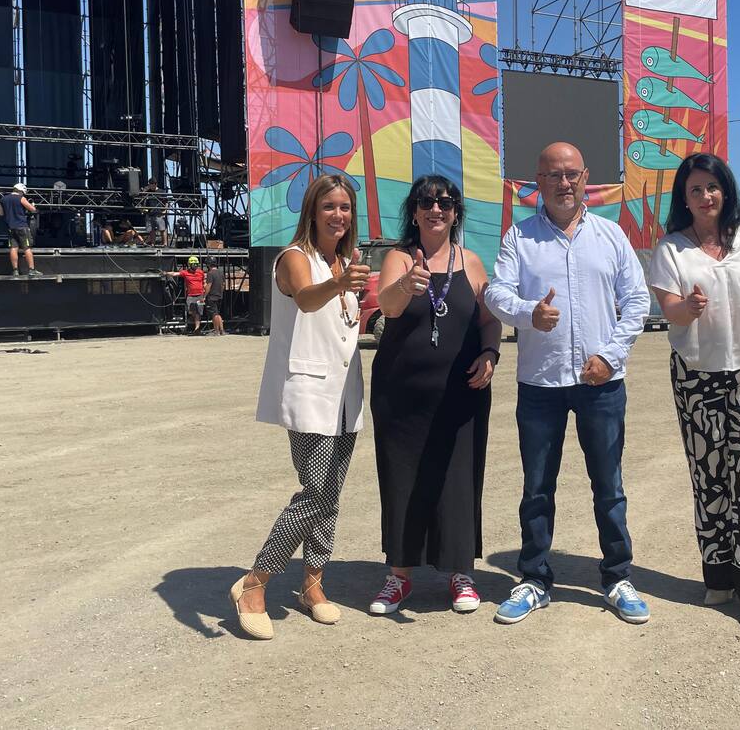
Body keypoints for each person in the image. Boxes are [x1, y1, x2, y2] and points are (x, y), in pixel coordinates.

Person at [484, 142, 650, 625]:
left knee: (609, 485)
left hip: (602, 383)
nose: (563, 183)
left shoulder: (611, 236)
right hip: (541, 384)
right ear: (538, 181)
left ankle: (617, 577)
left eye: (572, 174)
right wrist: (528, 314)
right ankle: (534, 580)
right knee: (537, 487)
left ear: (585, 178)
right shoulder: (520, 237)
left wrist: (610, 357)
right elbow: (496, 293)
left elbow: (637, 300)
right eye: (553, 175)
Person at [647, 153, 740, 635]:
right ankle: (718, 576)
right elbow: (670, 310)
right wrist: (688, 308)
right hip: (696, 376)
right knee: (708, 476)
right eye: (695, 189)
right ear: (684, 198)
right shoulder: (672, 249)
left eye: (712, 187)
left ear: (725, 191)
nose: (705, 196)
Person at [229, 174, 370, 639]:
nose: (338, 215)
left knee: (330, 495)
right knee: (314, 493)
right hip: (311, 393)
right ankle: (255, 582)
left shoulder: (346, 260)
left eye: (345, 207)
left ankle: (313, 583)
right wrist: (340, 282)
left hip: (346, 393)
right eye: (329, 206)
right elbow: (308, 299)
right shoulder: (294, 258)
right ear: (311, 211)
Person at [367, 176, 501, 616]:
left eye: (445, 202)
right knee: (401, 479)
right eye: (426, 202)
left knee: (458, 479)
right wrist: (406, 285)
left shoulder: (472, 262)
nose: (436, 209)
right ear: (415, 211)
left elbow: (489, 319)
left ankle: (460, 572)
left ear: (456, 211)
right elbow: (387, 307)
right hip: (402, 395)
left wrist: (490, 353)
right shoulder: (399, 258)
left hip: (461, 394)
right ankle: (399, 575)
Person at [0, 183, 41, 277]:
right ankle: (31, 270)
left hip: (11, 227)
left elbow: (0, 213)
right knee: (27, 247)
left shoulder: (3, 199)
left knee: (13, 248)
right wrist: (32, 205)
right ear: (21, 191)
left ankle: (15, 270)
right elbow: (33, 209)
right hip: (22, 226)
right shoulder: (21, 198)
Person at [165, 256, 207, 333]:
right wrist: (166, 273)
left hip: (200, 296)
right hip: (190, 296)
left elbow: (204, 282)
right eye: (194, 264)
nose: (195, 266)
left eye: (196, 264)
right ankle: (193, 325)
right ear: (190, 265)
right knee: (191, 311)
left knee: (199, 312)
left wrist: (205, 294)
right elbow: (175, 274)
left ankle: (197, 329)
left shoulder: (201, 272)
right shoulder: (185, 272)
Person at [142, 180, 170, 247]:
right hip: (150, 213)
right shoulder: (147, 192)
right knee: (151, 230)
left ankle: (164, 244)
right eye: (149, 184)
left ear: (155, 184)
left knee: (162, 229)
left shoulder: (161, 192)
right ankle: (152, 243)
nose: (151, 186)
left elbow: (166, 202)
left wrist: (165, 210)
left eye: (152, 184)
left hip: (159, 213)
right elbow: (142, 200)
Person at [203, 257, 225, 335]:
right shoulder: (221, 272)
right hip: (219, 296)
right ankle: (222, 330)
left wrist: (204, 296)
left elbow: (209, 285)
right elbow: (223, 285)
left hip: (212, 296)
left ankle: (216, 331)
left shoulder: (210, 273)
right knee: (218, 313)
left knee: (214, 314)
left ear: (208, 264)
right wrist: (220, 293)